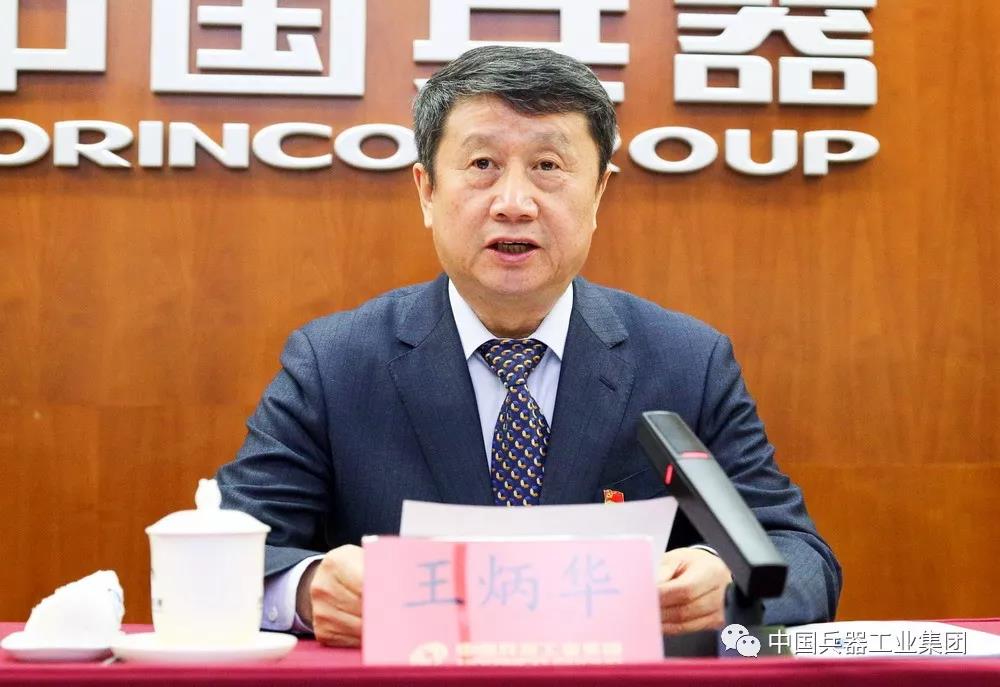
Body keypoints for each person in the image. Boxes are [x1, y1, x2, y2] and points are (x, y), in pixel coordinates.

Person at [216, 45, 841, 648]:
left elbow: (800, 557)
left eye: (548, 166)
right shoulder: (334, 364)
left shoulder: (685, 361)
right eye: (482, 164)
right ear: (426, 191)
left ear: (598, 194)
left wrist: (728, 582)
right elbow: (226, 553)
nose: (514, 204)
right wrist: (308, 589)